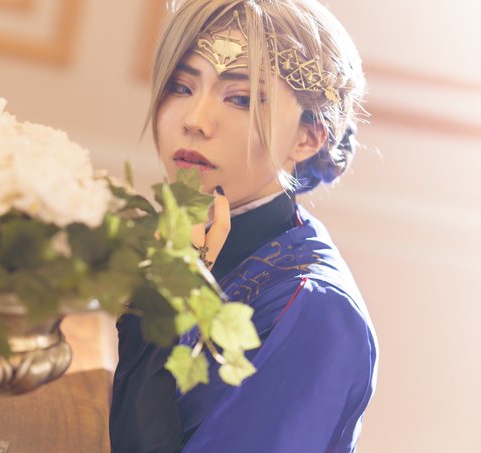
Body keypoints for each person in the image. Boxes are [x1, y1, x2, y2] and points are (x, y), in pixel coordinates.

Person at [109, 0, 378, 451]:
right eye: (180, 86)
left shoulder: (316, 311)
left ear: (308, 136)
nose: (194, 120)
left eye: (240, 98)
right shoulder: (179, 238)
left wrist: (159, 308)